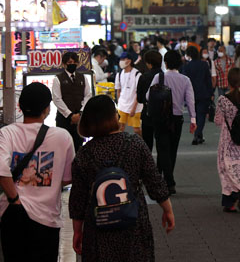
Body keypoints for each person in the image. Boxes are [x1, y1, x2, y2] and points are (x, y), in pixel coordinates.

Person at [69, 95, 175, 261]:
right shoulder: (134, 144)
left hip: (98, 226)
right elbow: (154, 181)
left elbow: (78, 199)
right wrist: (167, 210)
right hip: (133, 222)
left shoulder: (84, 154)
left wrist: (77, 231)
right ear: (114, 116)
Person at [0, 83, 75, 261]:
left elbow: (1, 168)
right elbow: (67, 178)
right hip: (46, 217)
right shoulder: (62, 136)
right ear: (47, 109)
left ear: (20, 106)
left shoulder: (6, 133)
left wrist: (15, 199)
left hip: (11, 213)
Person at [147, 50, 197, 195]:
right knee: (172, 150)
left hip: (161, 118)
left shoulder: (159, 77)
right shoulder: (185, 80)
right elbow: (190, 101)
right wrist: (193, 119)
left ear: (166, 63)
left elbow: (148, 96)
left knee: (162, 148)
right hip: (177, 118)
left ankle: (167, 181)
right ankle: (168, 181)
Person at [215, 68, 240, 212]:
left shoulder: (222, 100)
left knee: (226, 169)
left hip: (228, 141)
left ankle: (231, 200)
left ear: (229, 81)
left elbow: (218, 120)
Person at [52, 51, 92, 151]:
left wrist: (80, 113)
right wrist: (70, 115)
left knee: (79, 146)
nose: (72, 64)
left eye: (74, 62)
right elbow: (57, 99)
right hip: (63, 119)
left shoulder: (83, 78)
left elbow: (88, 96)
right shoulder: (57, 79)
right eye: (69, 62)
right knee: (63, 147)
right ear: (64, 64)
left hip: (80, 118)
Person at [183, 46, 213, 145]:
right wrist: (211, 93)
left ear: (189, 55)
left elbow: (184, 82)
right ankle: (198, 134)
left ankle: (198, 135)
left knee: (194, 115)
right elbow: (208, 79)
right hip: (203, 93)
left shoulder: (187, 66)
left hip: (191, 94)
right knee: (201, 115)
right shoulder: (204, 64)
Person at [136, 50, 162, 151]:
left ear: (149, 63)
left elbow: (139, 99)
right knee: (162, 142)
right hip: (163, 113)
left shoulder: (144, 77)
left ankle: (148, 160)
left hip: (148, 113)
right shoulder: (165, 76)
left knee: (147, 142)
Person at [115, 52, 143, 136]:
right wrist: (119, 104)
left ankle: (140, 143)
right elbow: (118, 90)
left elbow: (139, 92)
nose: (121, 61)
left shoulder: (137, 74)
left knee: (136, 129)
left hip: (135, 106)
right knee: (120, 127)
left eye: (123, 59)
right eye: (120, 59)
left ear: (129, 61)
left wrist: (133, 108)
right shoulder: (119, 74)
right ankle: (120, 143)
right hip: (122, 105)